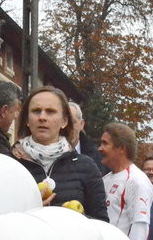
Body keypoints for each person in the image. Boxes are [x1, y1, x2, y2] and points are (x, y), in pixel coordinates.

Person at [15, 86, 108, 221]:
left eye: (50, 111)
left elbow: (102, 223)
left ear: (64, 121)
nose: (42, 117)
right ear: (27, 120)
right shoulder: (10, 163)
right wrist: (30, 212)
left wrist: (75, 219)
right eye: (36, 111)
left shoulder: (86, 167)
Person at [98, 122, 153, 240]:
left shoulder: (137, 181)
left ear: (121, 148)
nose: (100, 148)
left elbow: (140, 230)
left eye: (105, 144)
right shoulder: (104, 180)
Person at [69, 101, 109, 174]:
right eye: (64, 122)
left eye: (72, 122)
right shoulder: (46, 155)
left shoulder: (99, 160)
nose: (68, 127)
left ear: (81, 124)